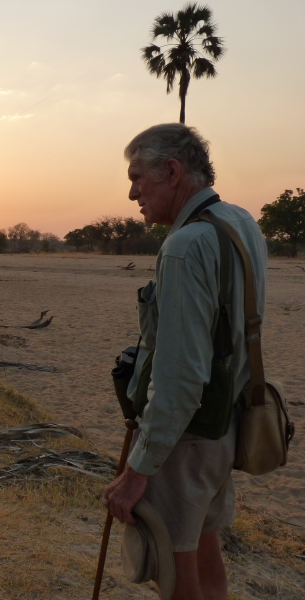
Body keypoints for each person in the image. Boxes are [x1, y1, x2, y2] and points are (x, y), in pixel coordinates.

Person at [102, 123, 268, 600]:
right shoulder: (241, 222)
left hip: (186, 436)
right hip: (224, 427)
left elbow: (179, 377)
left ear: (172, 172)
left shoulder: (184, 246)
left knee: (174, 573)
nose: (132, 193)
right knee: (203, 551)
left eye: (138, 178)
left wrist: (137, 472)